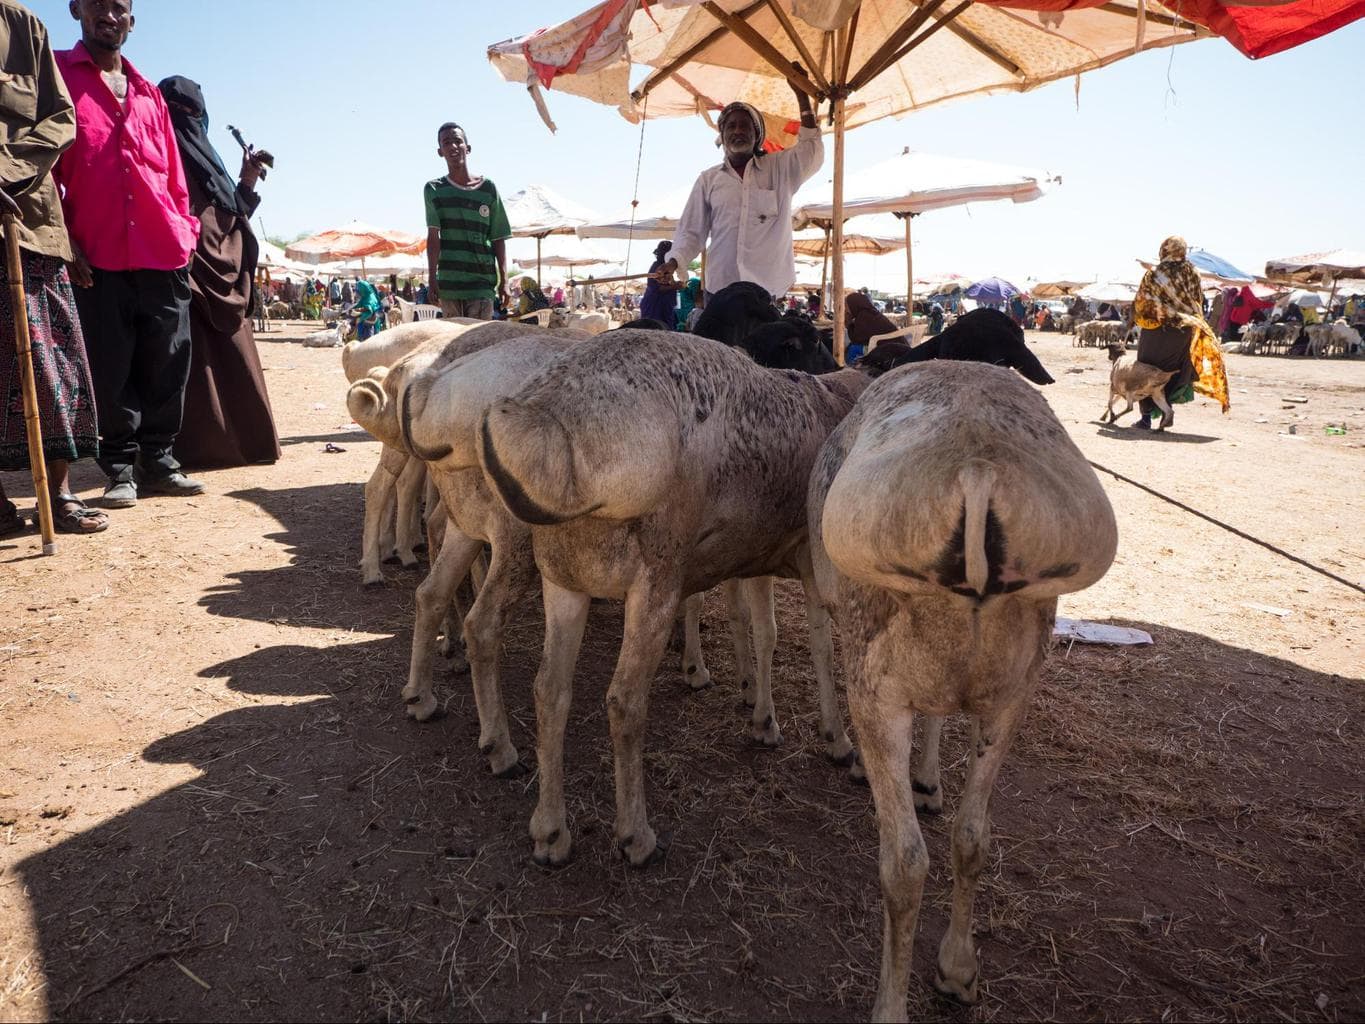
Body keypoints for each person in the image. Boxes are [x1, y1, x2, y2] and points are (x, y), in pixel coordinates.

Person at [55, 0, 203, 508]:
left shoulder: (148, 93)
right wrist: (63, 239)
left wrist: (186, 234)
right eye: (97, 5)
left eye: (118, 7)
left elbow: (174, 178)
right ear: (76, 9)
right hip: (95, 253)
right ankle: (118, 467)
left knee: (168, 360)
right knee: (109, 365)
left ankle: (159, 459)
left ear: (132, 20)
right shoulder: (57, 76)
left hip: (164, 249)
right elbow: (47, 166)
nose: (108, 15)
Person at [0, 0, 107, 537]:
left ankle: (60, 493)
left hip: (31, 222)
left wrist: (6, 171)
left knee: (52, 364)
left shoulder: (23, 27)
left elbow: (59, 119)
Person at [157, 75, 279, 472]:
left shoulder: (210, 162)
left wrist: (245, 180)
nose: (185, 122)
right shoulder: (160, 155)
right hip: (187, 273)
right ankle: (202, 447)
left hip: (219, 276)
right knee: (198, 361)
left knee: (225, 357)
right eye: (176, 112)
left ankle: (238, 444)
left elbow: (231, 215)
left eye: (191, 113)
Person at [657, 65, 821, 302]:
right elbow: (691, 231)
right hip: (720, 287)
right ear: (722, 136)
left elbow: (812, 150)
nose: (738, 131)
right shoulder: (708, 179)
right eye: (731, 126)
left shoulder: (781, 168)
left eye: (745, 126)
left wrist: (802, 97)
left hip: (767, 289)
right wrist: (673, 263)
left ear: (757, 136)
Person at [1131, 236, 1230, 430]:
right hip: (1183, 329)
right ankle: (1167, 410)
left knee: (1146, 369)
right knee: (1171, 371)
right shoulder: (1193, 272)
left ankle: (1145, 419)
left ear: (1164, 250)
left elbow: (1143, 301)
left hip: (1157, 330)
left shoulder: (1155, 273)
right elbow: (1197, 300)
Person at [424, 122, 509, 320]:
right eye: (447, 143)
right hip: (449, 283)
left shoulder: (488, 188)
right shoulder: (434, 189)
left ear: (467, 148)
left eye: (458, 141)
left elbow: (498, 237)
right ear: (440, 151)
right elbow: (433, 237)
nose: (453, 146)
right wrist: (432, 279)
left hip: (482, 283)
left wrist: (504, 280)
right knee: (452, 347)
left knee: (479, 345)